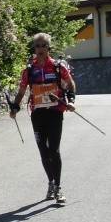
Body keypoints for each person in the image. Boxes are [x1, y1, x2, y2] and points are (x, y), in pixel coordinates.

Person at [9, 32, 76, 204]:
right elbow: (22, 92)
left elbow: (69, 83)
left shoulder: (58, 67)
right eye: (37, 45)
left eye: (43, 45)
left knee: (54, 150)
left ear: (48, 47)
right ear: (34, 48)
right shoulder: (29, 71)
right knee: (44, 153)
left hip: (55, 111)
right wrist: (15, 107)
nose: (40, 49)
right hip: (37, 114)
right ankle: (51, 182)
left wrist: (71, 100)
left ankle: (58, 188)